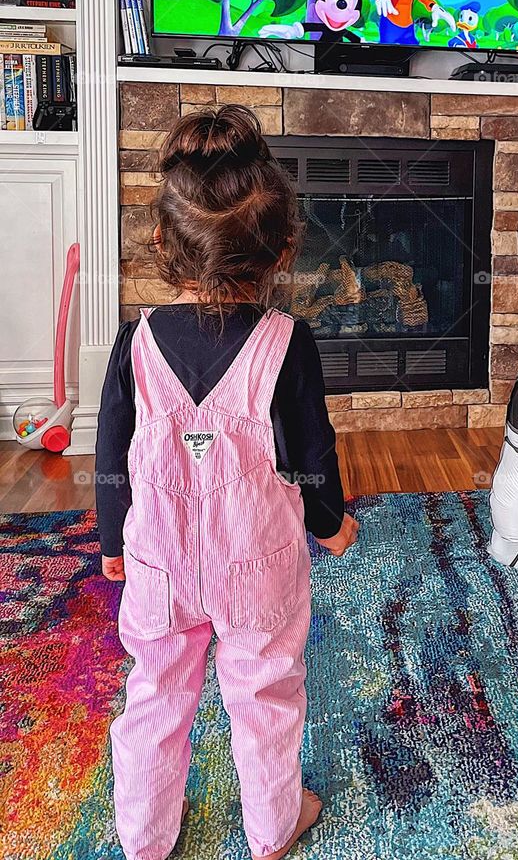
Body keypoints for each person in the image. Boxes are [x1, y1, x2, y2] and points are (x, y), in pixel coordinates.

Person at [96, 104, 358, 860]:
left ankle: (145, 840)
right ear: (283, 251)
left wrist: (113, 537)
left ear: (160, 243)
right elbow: (311, 449)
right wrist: (330, 522)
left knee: (152, 698)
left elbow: (112, 452)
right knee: (266, 695)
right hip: (258, 569)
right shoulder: (289, 344)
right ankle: (273, 827)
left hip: (159, 565)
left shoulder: (134, 344)